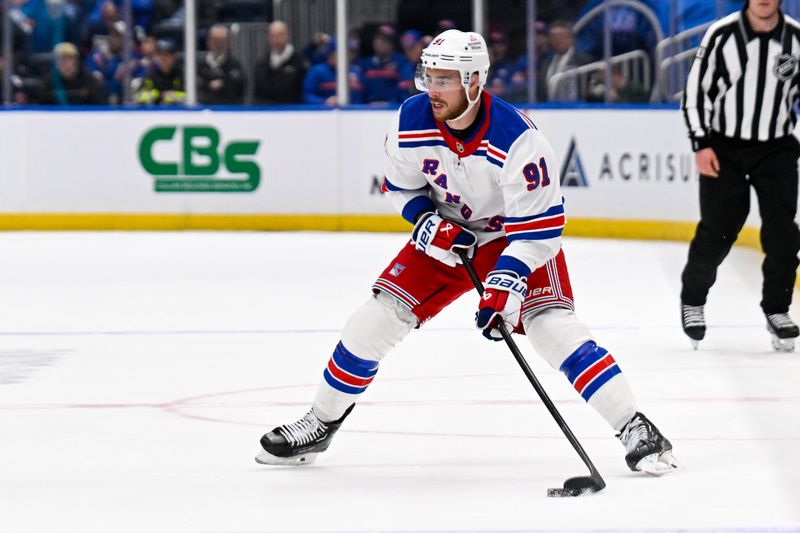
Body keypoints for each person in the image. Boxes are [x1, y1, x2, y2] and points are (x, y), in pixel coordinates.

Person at [255, 29, 678, 476]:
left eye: (444, 80)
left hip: (514, 241)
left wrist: (506, 284)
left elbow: (541, 228)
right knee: (370, 324)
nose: (432, 90)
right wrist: (425, 222)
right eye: (429, 77)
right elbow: (401, 187)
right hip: (447, 238)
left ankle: (635, 426)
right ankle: (321, 423)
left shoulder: (518, 138)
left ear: (474, 82)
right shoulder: (411, 118)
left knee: (553, 330)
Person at [680, 0, 800, 352]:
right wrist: (701, 143)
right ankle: (693, 300)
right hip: (723, 147)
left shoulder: (795, 39)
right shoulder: (722, 35)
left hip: (776, 147)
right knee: (718, 230)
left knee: (783, 233)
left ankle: (777, 309)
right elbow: (694, 92)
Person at [253, 20, 306, 105]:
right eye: (273, 36)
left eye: (280, 35)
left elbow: (303, 92)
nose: (277, 39)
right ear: (269, 38)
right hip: (268, 112)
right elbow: (258, 95)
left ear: (287, 35)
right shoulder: (261, 64)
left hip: (293, 112)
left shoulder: (299, 62)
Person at [41, 42, 106, 105]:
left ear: (76, 61)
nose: (65, 63)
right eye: (61, 59)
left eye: (69, 58)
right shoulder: (49, 82)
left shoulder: (90, 81)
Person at [301, 39, 363, 105]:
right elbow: (306, 96)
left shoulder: (357, 71)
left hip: (356, 113)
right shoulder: (316, 71)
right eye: (342, 51)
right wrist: (325, 101)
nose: (347, 55)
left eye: (349, 51)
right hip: (326, 113)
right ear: (330, 54)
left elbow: (365, 96)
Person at [197, 24, 245, 105]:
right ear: (208, 40)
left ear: (227, 42)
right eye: (215, 40)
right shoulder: (199, 65)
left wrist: (224, 84)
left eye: (222, 40)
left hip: (228, 110)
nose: (218, 44)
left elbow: (239, 90)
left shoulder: (235, 66)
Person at [133, 38, 184, 105]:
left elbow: (193, 96)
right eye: (160, 55)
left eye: (167, 55)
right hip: (155, 113)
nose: (163, 59)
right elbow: (138, 97)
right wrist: (157, 95)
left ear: (173, 57)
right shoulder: (150, 76)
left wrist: (174, 95)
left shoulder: (182, 75)